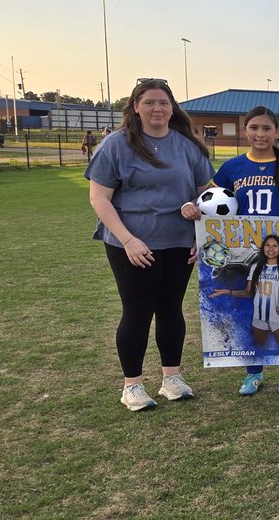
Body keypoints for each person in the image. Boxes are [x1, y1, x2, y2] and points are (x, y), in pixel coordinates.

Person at [85, 78, 214, 412]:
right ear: (136, 107)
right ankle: (133, 385)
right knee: (137, 311)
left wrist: (201, 233)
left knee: (171, 309)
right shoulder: (116, 145)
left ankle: (172, 379)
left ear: (173, 108)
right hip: (131, 244)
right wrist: (128, 239)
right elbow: (99, 198)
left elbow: (205, 194)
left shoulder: (188, 146)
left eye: (164, 103)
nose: (158, 108)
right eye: (150, 102)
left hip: (179, 243)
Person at [191, 105, 279, 395]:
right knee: (249, 308)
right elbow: (211, 204)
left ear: (277, 132)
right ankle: (253, 373)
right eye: (254, 128)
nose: (260, 134)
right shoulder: (232, 167)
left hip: (278, 248)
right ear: (245, 131)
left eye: (266, 128)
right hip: (244, 249)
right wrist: (192, 209)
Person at [208, 234, 279, 388]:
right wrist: (228, 292)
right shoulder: (254, 268)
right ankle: (254, 375)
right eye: (267, 246)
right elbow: (249, 292)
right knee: (254, 343)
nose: (271, 250)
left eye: (275, 246)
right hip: (259, 316)